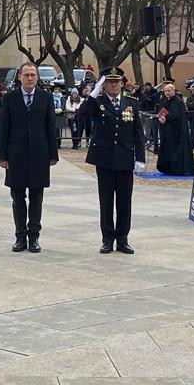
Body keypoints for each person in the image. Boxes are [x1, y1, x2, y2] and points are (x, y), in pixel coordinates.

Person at [79, 67, 146, 254]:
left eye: (117, 81)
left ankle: (122, 238)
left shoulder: (131, 102)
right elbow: (81, 115)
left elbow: (138, 132)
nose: (114, 84)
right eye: (110, 81)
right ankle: (107, 238)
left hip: (125, 159)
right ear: (104, 84)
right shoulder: (97, 102)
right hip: (104, 160)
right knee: (106, 200)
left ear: (122, 84)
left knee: (125, 201)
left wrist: (140, 157)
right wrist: (93, 93)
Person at [0, 62, 58, 253]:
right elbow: (4, 128)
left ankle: (34, 237)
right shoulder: (10, 98)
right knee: (17, 197)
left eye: (33, 75)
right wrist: (2, 156)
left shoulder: (45, 97)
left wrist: (53, 154)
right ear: (20, 77)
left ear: (37, 78)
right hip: (16, 155)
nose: (30, 78)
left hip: (40, 154)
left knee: (37, 197)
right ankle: (20, 237)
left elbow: (50, 126)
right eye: (26, 75)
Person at [155, 82, 194, 176]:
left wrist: (165, 118)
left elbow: (174, 115)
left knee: (176, 151)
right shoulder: (168, 101)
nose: (167, 93)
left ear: (173, 90)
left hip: (176, 131)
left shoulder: (177, 101)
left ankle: (177, 169)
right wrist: (161, 117)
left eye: (169, 91)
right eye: (165, 91)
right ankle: (167, 168)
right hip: (169, 130)